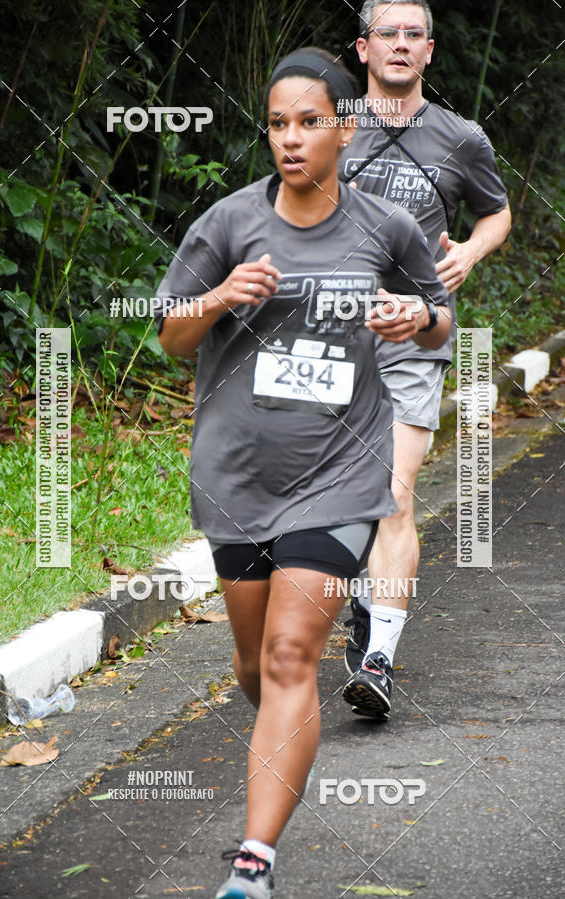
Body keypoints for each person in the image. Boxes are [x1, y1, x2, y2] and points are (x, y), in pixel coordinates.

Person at [157, 47, 450, 899]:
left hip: (340, 475)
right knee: (258, 670)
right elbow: (171, 333)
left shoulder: (380, 229)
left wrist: (413, 313)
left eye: (308, 122)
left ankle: (254, 864)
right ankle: (285, 740)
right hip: (238, 477)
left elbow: (437, 317)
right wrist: (217, 300)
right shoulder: (228, 223)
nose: (290, 139)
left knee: (292, 651)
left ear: (343, 127)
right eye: (278, 124)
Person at [340, 0, 511, 720]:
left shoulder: (460, 137)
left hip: (414, 332)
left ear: (431, 52)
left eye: (415, 35)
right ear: (363, 48)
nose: (402, 45)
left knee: (395, 492)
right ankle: (356, 592)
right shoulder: (330, 123)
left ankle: (378, 656)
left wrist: (471, 248)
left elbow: (496, 210)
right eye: (389, 34)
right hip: (332, 334)